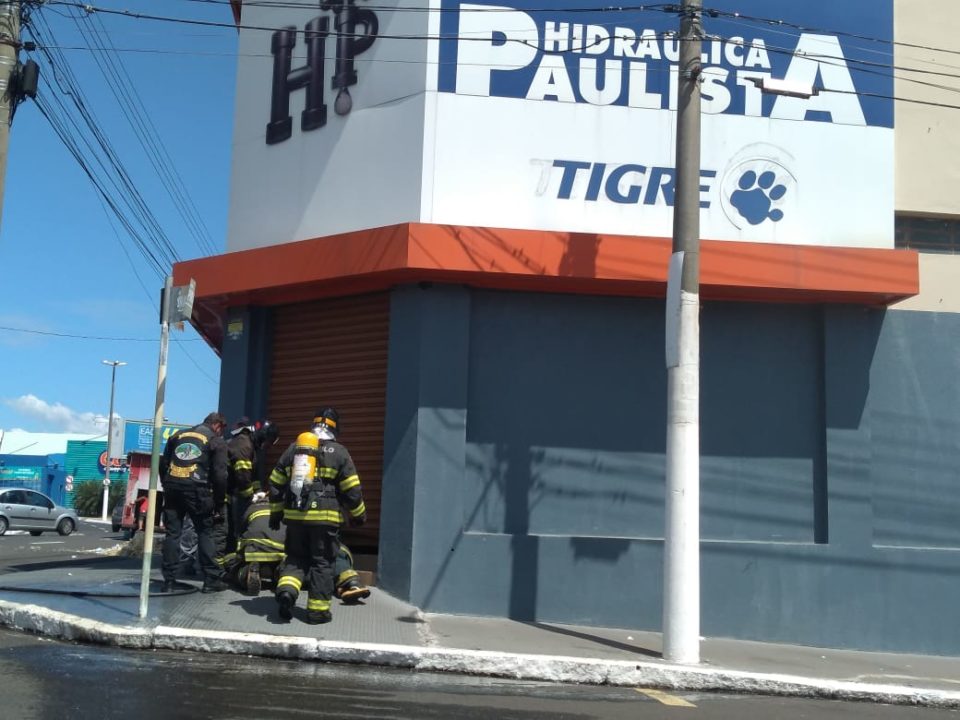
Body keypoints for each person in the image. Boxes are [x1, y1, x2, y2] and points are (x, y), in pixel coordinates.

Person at [268, 407, 366, 624]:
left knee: (295, 559)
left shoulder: (294, 449)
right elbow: (352, 490)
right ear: (335, 428)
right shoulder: (339, 452)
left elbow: (275, 482)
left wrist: (275, 514)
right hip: (325, 519)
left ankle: (286, 593)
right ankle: (317, 612)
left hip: (295, 516)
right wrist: (359, 515)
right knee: (322, 563)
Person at [234, 492, 370, 603]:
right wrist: (359, 517)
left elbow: (241, 532)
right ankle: (351, 583)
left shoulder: (252, 507)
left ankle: (247, 572)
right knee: (332, 555)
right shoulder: (296, 503)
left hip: (256, 550)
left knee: (237, 564)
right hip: (287, 547)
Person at [159, 412, 230, 594]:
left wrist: (167, 485)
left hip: (172, 487)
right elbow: (220, 475)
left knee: (173, 534)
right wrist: (219, 502)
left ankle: (169, 581)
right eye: (221, 430)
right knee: (205, 532)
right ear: (217, 426)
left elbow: (163, 463)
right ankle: (211, 580)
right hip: (197, 491)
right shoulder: (215, 441)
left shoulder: (178, 435)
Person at [217, 417, 280, 570]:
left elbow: (253, 476)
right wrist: (250, 495)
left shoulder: (250, 445)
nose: (266, 447)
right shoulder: (244, 445)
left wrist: (258, 491)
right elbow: (243, 474)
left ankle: (226, 565)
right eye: (267, 443)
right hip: (221, 494)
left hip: (229, 493)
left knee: (230, 530)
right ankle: (216, 570)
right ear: (262, 436)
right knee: (222, 531)